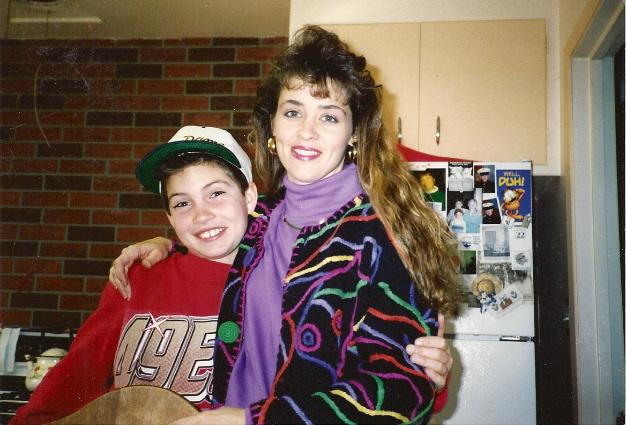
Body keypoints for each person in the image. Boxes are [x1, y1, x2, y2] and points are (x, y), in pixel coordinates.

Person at [110, 25, 461, 425]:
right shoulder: (262, 218)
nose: (306, 131)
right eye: (293, 111)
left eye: (329, 116)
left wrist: (245, 421)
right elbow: (210, 233)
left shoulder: (383, 235)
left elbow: (397, 392)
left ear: (353, 134)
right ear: (273, 126)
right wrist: (164, 245)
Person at [11, 126, 259, 425]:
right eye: (182, 203)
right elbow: (71, 382)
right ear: (169, 217)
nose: (201, 215)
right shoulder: (139, 277)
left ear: (249, 197)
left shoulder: (286, 285)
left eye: (216, 193)